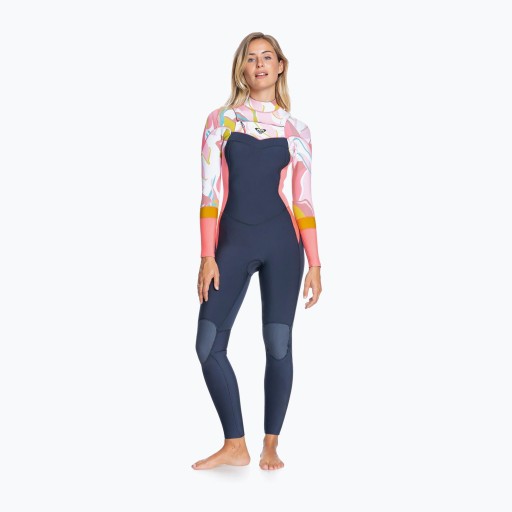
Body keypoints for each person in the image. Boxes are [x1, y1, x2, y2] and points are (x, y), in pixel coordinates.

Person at [192, 32, 322, 471]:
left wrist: (315, 262)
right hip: (232, 241)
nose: (260, 64)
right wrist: (207, 255)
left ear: (280, 66)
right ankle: (235, 443)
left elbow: (303, 200)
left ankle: (270, 443)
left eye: (268, 57)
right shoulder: (221, 120)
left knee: (278, 344)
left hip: (283, 243)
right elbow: (210, 193)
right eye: (251, 58)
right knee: (207, 344)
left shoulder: (296, 129)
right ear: (241, 68)